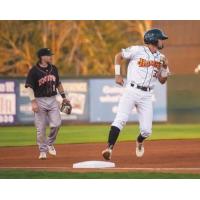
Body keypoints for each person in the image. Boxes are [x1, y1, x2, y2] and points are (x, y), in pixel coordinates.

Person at [102, 28, 170, 160]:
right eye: (161, 39)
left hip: (146, 95)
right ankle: (109, 149)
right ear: (154, 39)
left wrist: (165, 68)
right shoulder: (137, 50)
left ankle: (139, 141)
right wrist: (117, 74)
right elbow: (118, 56)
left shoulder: (162, 58)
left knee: (146, 131)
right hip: (131, 91)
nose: (162, 41)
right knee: (120, 119)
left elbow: (162, 81)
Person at [25, 48, 72, 160]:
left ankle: (49, 144)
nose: (51, 57)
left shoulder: (54, 68)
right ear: (42, 57)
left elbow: (58, 84)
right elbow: (29, 87)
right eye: (48, 55)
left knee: (56, 124)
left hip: (52, 99)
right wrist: (33, 102)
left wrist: (64, 98)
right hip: (39, 100)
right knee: (40, 129)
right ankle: (42, 151)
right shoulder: (34, 71)